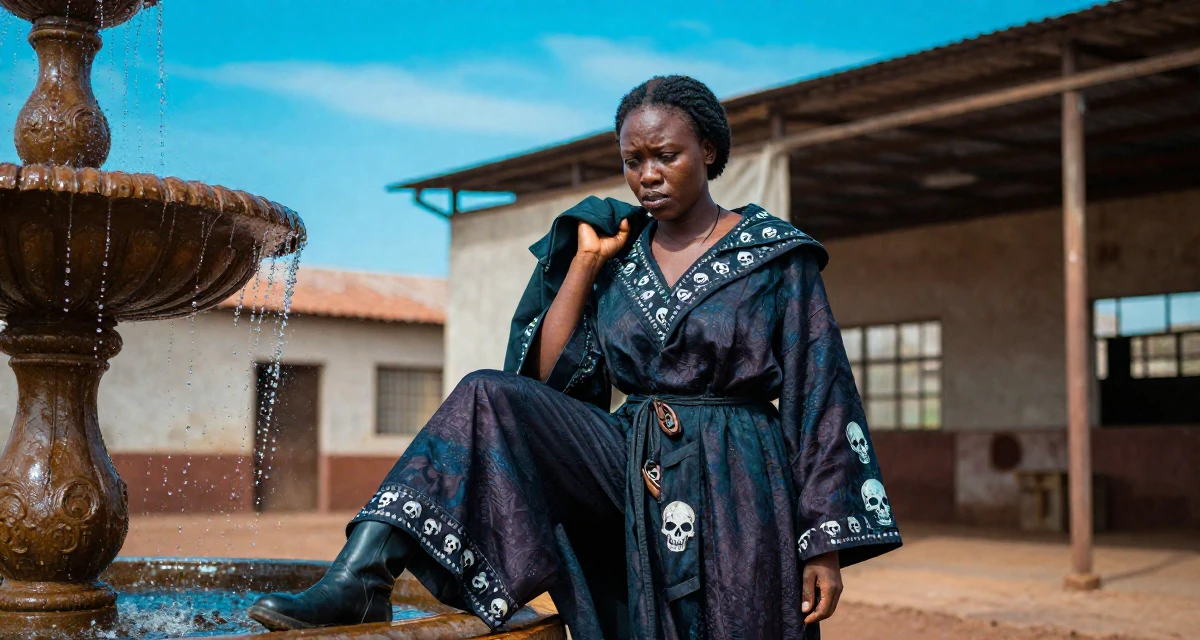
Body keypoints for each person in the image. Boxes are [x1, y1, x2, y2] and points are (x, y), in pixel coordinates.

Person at [248, 75, 901, 639]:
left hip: (740, 475)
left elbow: (822, 395)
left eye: (665, 156)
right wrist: (586, 263)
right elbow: (544, 383)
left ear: (707, 149)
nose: (647, 176)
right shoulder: (622, 255)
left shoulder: (774, 255)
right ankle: (361, 579)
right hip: (632, 462)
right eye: (632, 161)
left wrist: (824, 544)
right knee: (487, 393)